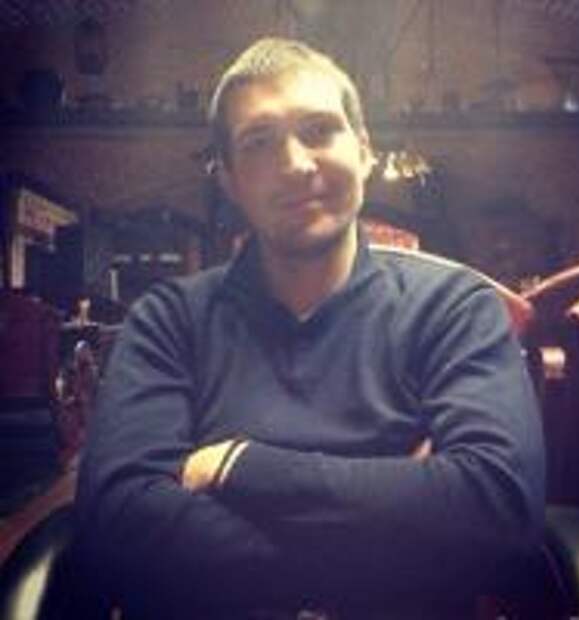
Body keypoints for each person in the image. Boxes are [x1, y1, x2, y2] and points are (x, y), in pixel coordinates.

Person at [75, 37, 545, 619]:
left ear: (365, 151)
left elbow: (501, 510)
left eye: (319, 130)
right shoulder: (167, 322)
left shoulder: (454, 309)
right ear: (229, 180)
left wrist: (239, 467)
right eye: (259, 142)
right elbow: (117, 525)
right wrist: (406, 519)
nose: (296, 164)